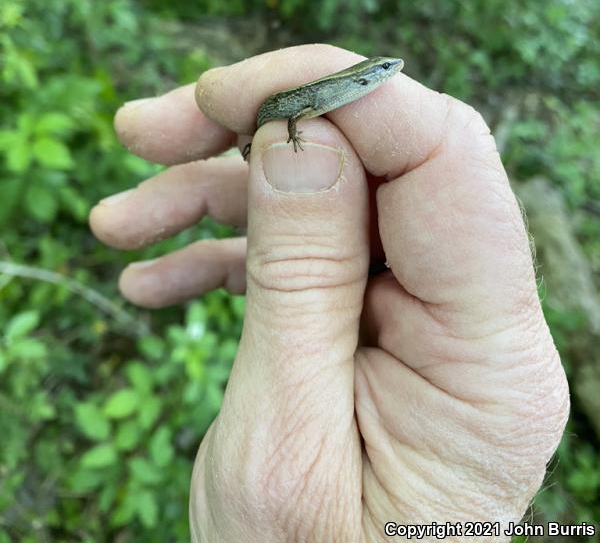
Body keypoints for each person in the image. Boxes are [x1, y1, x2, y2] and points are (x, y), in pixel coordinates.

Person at [90, 44, 569, 542]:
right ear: (366, 76)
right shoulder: (334, 90)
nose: (392, 72)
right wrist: (282, 142)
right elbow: (291, 112)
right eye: (383, 69)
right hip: (273, 119)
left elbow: (306, 107)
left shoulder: (347, 90)